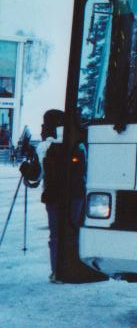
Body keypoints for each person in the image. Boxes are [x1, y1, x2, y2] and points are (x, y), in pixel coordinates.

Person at [19, 109, 86, 283]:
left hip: (53, 195)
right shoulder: (78, 142)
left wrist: (26, 170)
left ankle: (57, 271)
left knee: (56, 234)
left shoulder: (44, 147)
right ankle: (75, 268)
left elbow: (35, 177)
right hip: (76, 194)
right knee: (73, 231)